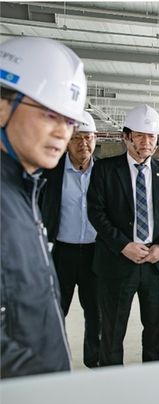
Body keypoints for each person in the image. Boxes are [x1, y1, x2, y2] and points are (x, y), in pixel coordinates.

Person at [0, 36, 87, 378]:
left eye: (70, 120)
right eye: (50, 115)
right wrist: (42, 385)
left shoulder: (24, 189)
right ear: (3, 106)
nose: (63, 133)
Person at [87, 104, 159, 365]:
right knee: (113, 330)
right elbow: (96, 213)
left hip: (154, 264)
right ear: (126, 137)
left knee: (154, 330)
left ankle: (151, 381)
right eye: (140, 135)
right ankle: (112, 381)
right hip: (117, 262)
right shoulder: (105, 170)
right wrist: (123, 245)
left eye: (151, 136)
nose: (146, 142)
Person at [39, 110, 100, 368]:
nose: (83, 143)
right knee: (56, 311)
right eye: (76, 138)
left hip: (96, 254)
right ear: (66, 140)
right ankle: (55, 362)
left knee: (96, 312)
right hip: (61, 253)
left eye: (88, 137)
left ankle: (94, 361)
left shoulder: (105, 172)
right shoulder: (50, 171)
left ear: (95, 139)